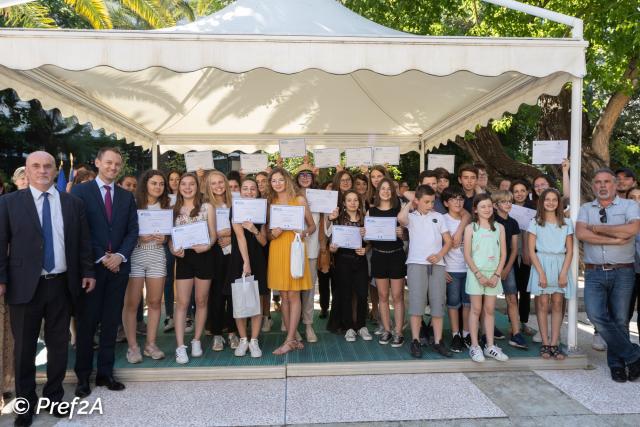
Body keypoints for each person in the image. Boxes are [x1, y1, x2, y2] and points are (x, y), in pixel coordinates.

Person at [0, 151, 95, 425]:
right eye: (36, 166)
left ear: (55, 170)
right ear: (27, 171)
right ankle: (25, 405)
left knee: (58, 346)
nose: (42, 170)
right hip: (23, 287)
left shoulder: (72, 203)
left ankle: (54, 399)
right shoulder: (8, 203)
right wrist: (2, 279)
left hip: (62, 285)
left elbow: (83, 243)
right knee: (24, 349)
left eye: (47, 166)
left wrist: (88, 271)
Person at [72, 147, 138, 398]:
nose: (112, 167)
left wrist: (120, 256)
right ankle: (82, 377)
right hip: (91, 269)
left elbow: (133, 230)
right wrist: (103, 256)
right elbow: (80, 229)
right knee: (87, 325)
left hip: (118, 268)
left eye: (117, 164)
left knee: (111, 323)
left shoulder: (125, 196)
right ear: (97, 162)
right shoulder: (80, 192)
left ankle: (105, 373)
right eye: (108, 162)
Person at [576, 168, 640, 383]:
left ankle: (617, 365)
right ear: (593, 186)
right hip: (594, 272)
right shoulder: (586, 208)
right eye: (598, 182)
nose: (602, 186)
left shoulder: (629, 205)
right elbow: (582, 233)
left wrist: (599, 229)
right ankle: (633, 356)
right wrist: (615, 237)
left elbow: (632, 230)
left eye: (606, 182)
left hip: (623, 271)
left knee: (620, 320)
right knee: (595, 316)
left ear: (614, 185)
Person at [398, 185, 453, 358]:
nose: (430, 205)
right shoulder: (411, 217)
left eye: (432, 201)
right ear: (418, 201)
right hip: (416, 264)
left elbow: (448, 241)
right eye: (426, 202)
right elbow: (401, 219)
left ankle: (438, 341)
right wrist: (409, 202)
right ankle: (415, 340)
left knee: (437, 304)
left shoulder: (439, 217)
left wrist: (439, 255)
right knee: (416, 304)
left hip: (437, 265)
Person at [267, 168, 316, 355]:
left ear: (287, 180)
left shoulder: (300, 200)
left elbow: (311, 226)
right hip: (278, 248)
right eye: (274, 181)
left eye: (280, 179)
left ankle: (289, 340)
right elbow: (268, 234)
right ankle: (292, 337)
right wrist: (273, 233)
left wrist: (303, 232)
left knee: (294, 295)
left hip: (295, 248)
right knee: (284, 296)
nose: (277, 183)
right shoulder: (271, 202)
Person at [122, 170, 170, 364]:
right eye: (154, 183)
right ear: (145, 184)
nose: (158, 187)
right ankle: (133, 347)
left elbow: (172, 233)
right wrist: (137, 237)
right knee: (132, 303)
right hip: (135, 255)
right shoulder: (132, 204)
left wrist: (165, 238)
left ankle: (151, 344)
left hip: (157, 255)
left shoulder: (167, 205)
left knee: (156, 301)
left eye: (161, 184)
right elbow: (124, 230)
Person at [170, 173, 216, 364]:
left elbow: (213, 235)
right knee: (182, 302)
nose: (187, 187)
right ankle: (180, 346)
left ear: (197, 187)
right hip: (184, 259)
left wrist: (207, 246)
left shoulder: (207, 207)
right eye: (184, 184)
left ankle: (196, 340)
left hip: (204, 256)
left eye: (191, 184)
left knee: (201, 300)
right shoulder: (173, 209)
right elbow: (170, 239)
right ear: (179, 187)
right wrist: (173, 250)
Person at [527, 188, 574, 361]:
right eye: (547, 199)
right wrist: (541, 273)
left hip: (560, 264)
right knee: (542, 304)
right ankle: (545, 343)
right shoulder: (536, 222)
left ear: (559, 203)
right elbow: (531, 251)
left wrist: (563, 273)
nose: (551, 202)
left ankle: (555, 343)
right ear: (542, 201)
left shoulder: (566, 223)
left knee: (557, 303)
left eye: (555, 199)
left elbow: (569, 251)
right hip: (542, 264)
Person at [463, 194, 509, 363]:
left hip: (493, 274)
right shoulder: (471, 229)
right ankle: (475, 346)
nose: (487, 209)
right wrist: (478, 274)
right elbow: (467, 254)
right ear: (475, 209)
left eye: (489, 206)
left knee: (489, 310)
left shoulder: (499, 228)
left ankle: (490, 346)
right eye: (482, 206)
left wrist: (497, 274)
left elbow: (504, 253)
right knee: (475, 309)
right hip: (476, 274)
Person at [228, 177, 267, 357]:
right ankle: (243, 339)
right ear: (240, 191)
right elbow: (240, 238)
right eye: (245, 188)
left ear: (257, 191)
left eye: (253, 189)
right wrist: (246, 262)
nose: (249, 192)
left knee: (256, 300)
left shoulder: (262, 209)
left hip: (258, 259)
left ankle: (254, 340)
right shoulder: (235, 209)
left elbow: (263, 241)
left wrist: (254, 229)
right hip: (239, 259)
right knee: (240, 299)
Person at [366, 178, 406, 347]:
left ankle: (399, 332)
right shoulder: (371, 211)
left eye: (389, 189)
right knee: (382, 296)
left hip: (396, 255)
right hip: (378, 256)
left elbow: (409, 233)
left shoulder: (400, 210)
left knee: (397, 296)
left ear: (393, 191)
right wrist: (364, 233)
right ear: (378, 191)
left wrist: (402, 233)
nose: (386, 191)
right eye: (383, 188)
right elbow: (367, 237)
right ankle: (387, 330)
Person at [326, 190, 370, 341]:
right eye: (349, 200)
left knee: (363, 294)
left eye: (355, 200)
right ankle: (349, 327)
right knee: (345, 294)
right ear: (344, 203)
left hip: (360, 261)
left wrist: (366, 248)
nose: (353, 203)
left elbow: (371, 242)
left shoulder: (365, 219)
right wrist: (332, 248)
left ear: (359, 202)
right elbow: (330, 241)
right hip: (343, 260)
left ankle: (362, 326)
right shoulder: (337, 220)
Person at [204, 170, 238, 351]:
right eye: (213, 183)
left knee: (233, 293)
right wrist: (219, 235)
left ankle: (233, 332)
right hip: (214, 253)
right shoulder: (205, 205)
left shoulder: (235, 202)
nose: (218, 186)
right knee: (216, 294)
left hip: (234, 252)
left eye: (220, 182)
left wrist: (230, 235)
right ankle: (217, 333)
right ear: (208, 187)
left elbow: (244, 226)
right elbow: (202, 231)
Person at [492, 190, 528, 350]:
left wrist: (507, 268)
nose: (508, 204)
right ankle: (488, 329)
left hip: (508, 266)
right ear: (495, 205)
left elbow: (514, 249)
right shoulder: (490, 221)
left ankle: (516, 332)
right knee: (489, 301)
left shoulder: (513, 223)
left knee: (512, 299)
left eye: (509, 201)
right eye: (504, 201)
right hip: (490, 267)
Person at [442, 187, 471, 352]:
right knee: (453, 303)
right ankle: (455, 335)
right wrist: (442, 269)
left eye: (460, 199)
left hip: (468, 269)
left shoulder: (469, 219)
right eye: (453, 199)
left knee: (467, 303)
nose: (458, 202)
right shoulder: (442, 219)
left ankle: (466, 333)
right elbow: (436, 245)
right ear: (446, 203)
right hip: (451, 268)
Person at [295, 165, 320, 343]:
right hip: (293, 249)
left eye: (308, 174)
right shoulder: (291, 195)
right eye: (301, 175)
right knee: (294, 289)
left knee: (309, 290)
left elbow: (324, 221)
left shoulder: (320, 196)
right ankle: (293, 325)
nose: (305, 177)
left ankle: (308, 324)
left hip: (312, 248)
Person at [163, 170, 181, 332]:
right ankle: (169, 315)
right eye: (172, 179)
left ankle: (188, 316)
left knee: (185, 279)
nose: (175, 182)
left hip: (185, 242)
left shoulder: (187, 198)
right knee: (168, 279)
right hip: (167, 242)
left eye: (178, 179)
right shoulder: (164, 199)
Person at [317, 181, 334, 319]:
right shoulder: (319, 210)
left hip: (337, 250)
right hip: (321, 249)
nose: (330, 192)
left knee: (336, 281)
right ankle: (324, 307)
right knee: (323, 281)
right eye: (328, 188)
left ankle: (336, 307)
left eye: (333, 189)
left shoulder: (340, 207)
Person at [627, 187, 640, 338]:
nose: (636, 201)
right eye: (632, 197)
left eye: (639, 197)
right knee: (624, 314)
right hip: (627, 272)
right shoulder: (621, 219)